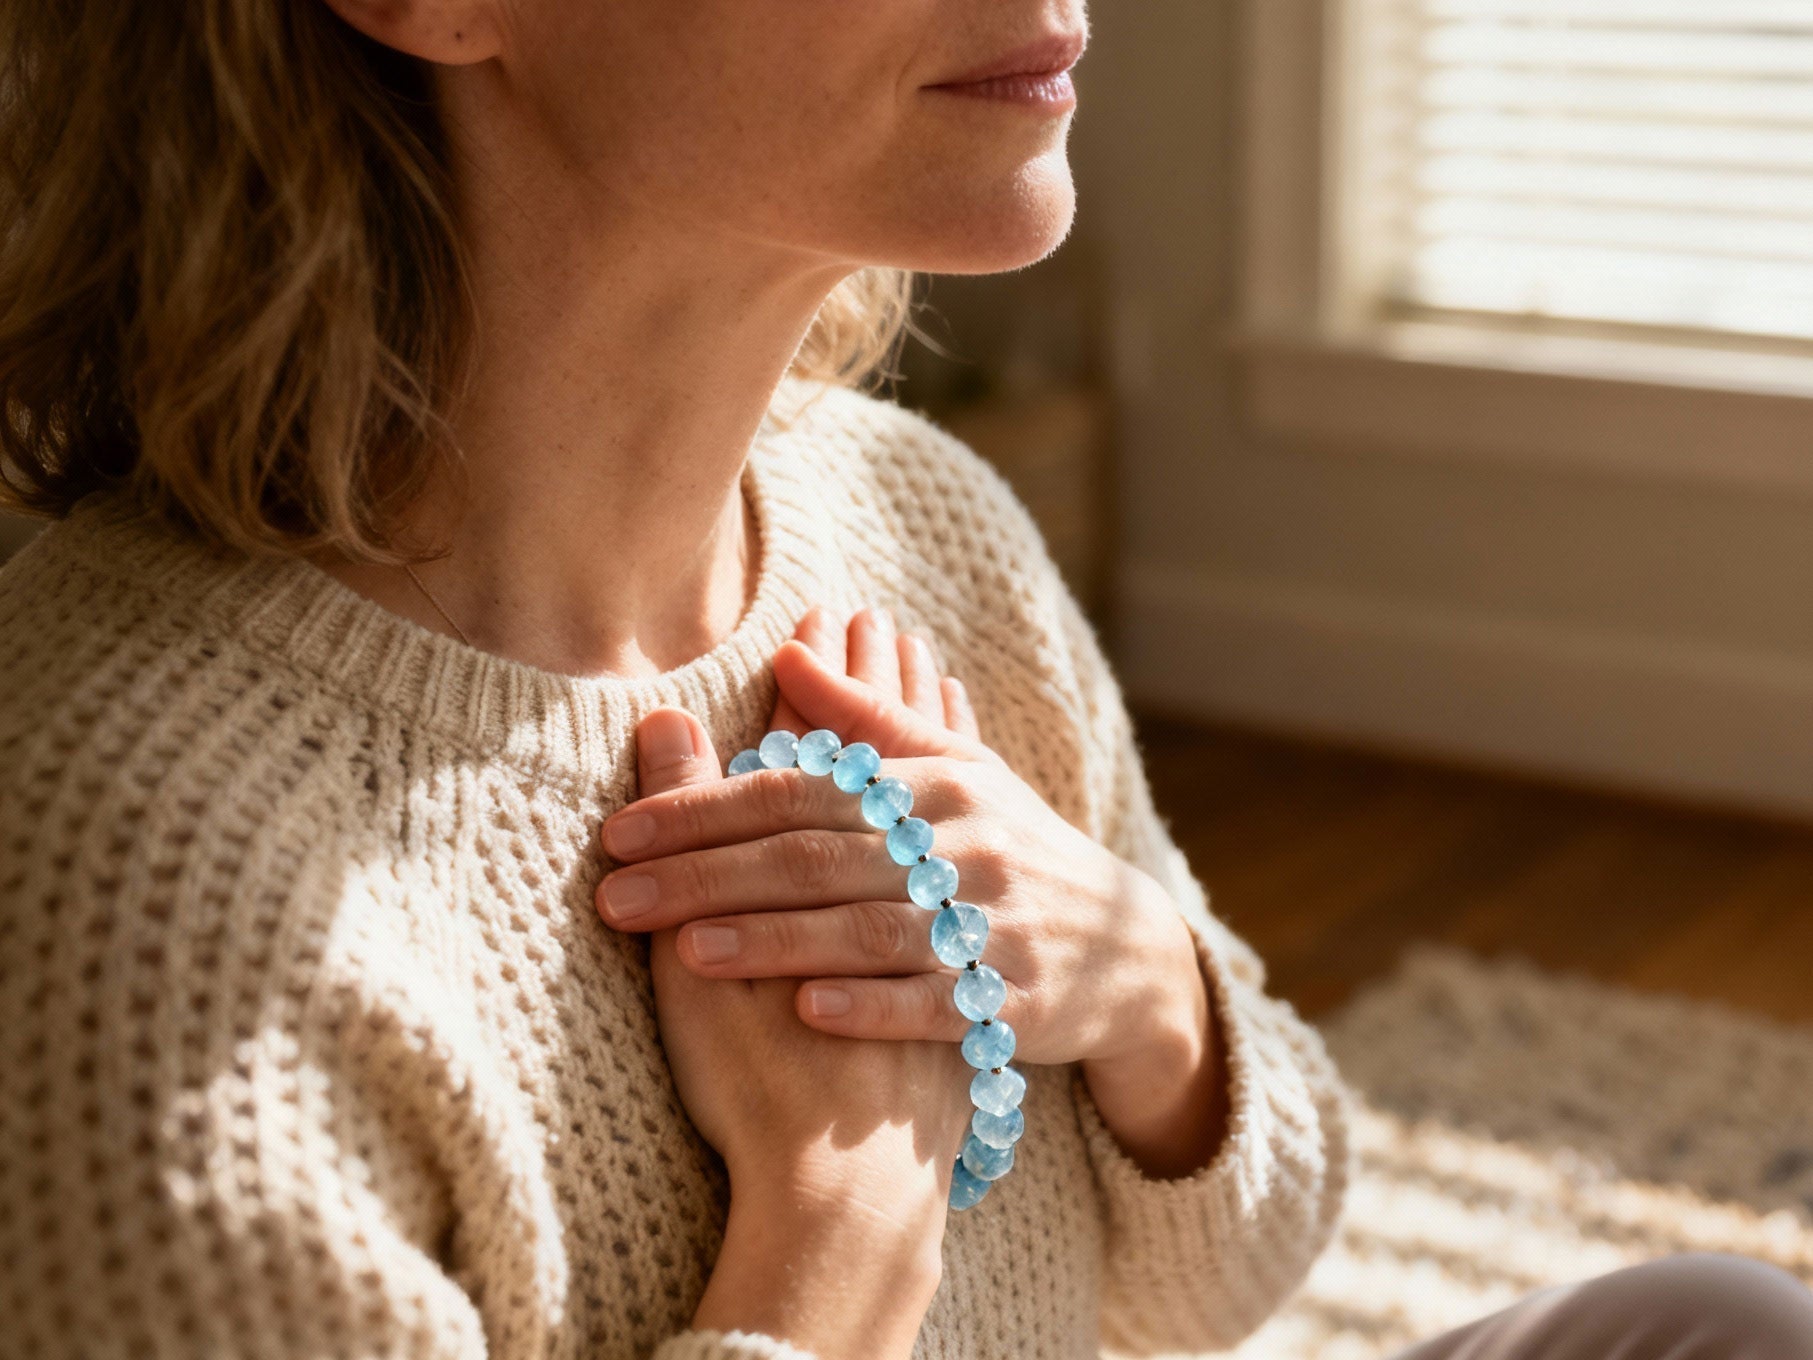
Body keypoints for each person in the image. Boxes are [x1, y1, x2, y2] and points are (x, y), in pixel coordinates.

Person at [0, 3, 1807, 1358]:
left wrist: (1144, 990)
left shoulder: (910, 514)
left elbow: (1226, 1275)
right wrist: (837, 1224)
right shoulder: (140, 890)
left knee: (1725, 1329)